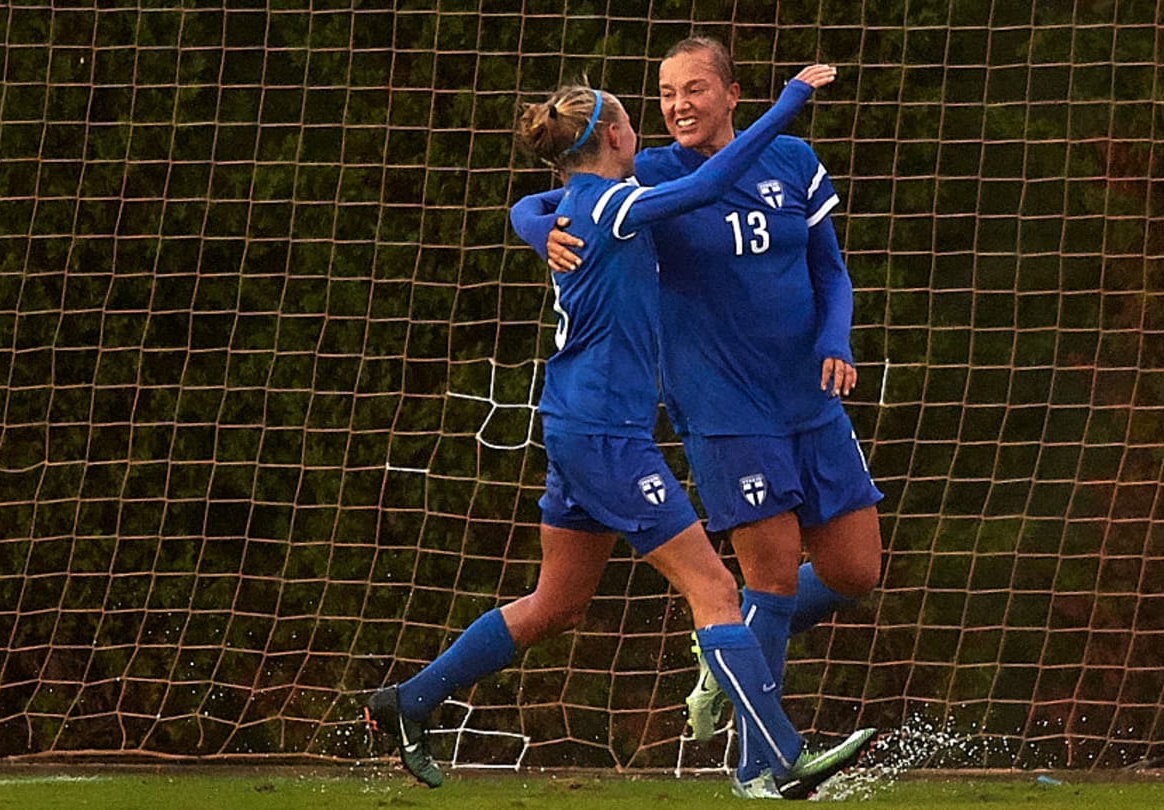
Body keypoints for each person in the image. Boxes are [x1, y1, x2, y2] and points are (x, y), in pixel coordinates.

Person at [367, 66, 873, 799]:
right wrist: (790, 103)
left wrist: (535, 223)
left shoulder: (598, 200)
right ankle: (774, 758)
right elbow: (701, 188)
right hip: (608, 434)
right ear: (614, 135)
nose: (661, 115)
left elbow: (576, 200)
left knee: (557, 602)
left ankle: (408, 701)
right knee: (715, 590)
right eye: (646, 110)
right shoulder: (616, 205)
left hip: (580, 423)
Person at [510, 35, 885, 792]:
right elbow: (547, 198)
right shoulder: (644, 173)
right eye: (667, 93)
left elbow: (830, 270)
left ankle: (730, 650)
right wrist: (527, 225)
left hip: (807, 399)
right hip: (722, 406)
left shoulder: (794, 161)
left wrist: (835, 337)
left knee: (853, 569)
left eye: (695, 89)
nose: (679, 105)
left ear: (732, 94)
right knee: (772, 576)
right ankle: (759, 767)